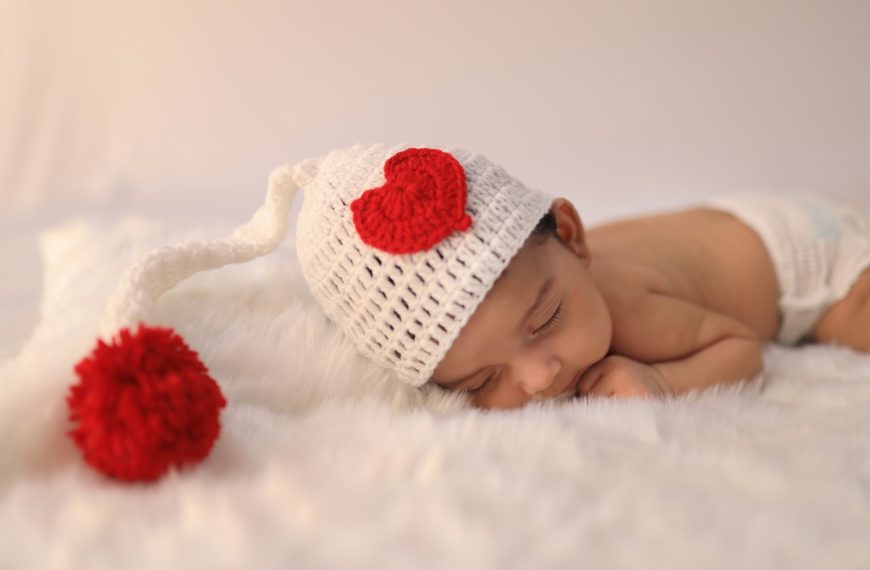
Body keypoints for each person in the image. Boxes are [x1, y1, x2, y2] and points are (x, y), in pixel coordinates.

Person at [288, 144, 870, 410]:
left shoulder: (629, 311)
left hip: (812, 256)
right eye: (479, 382)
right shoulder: (551, 270)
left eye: (547, 319)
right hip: (733, 217)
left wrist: (663, 383)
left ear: (571, 235)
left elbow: (741, 348)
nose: (539, 378)